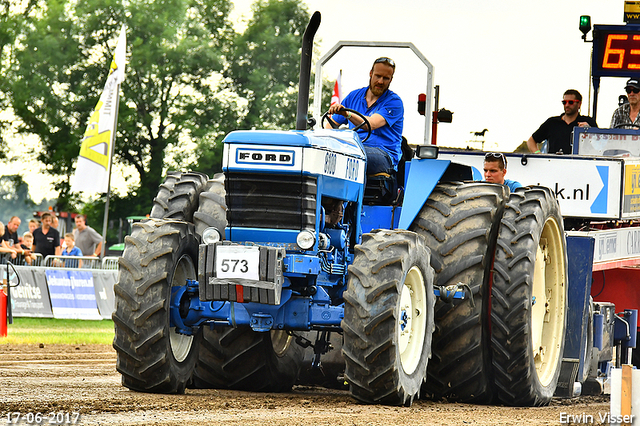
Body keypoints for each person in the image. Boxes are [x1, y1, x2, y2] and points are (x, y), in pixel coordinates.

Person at [326, 57, 404, 175]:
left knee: (352, 155)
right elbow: (330, 126)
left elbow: (370, 124)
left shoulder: (394, 102)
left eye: (386, 78)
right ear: (371, 74)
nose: (380, 82)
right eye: (378, 76)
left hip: (383, 155)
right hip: (354, 148)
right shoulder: (354, 96)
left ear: (391, 80)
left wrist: (347, 114)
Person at [527, 89, 598, 154]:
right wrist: (538, 154)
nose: (567, 105)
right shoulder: (552, 123)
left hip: (579, 164)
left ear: (579, 104)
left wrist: (589, 131)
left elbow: (600, 145)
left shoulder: (588, 122)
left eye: (570, 102)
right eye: (564, 102)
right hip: (554, 164)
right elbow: (531, 140)